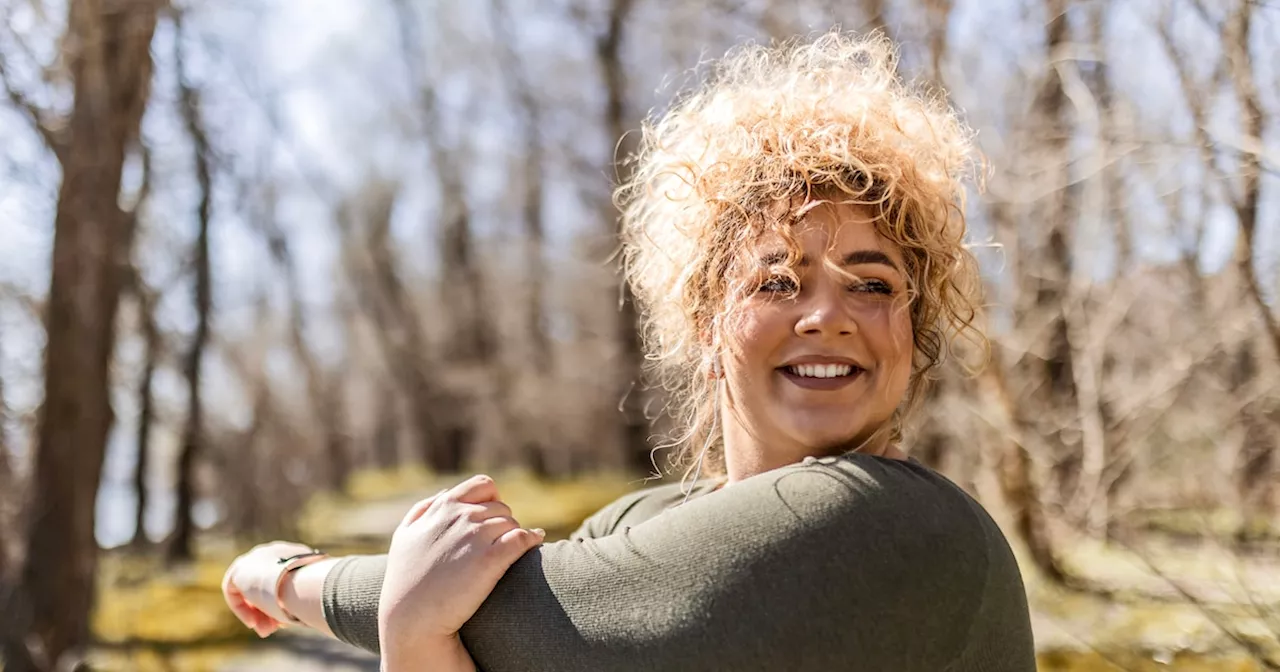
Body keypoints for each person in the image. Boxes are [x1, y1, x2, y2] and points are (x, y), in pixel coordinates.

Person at [222, 30, 1037, 671]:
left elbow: (515, 620)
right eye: (779, 282)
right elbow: (477, 622)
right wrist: (410, 635)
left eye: (871, 285)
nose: (828, 315)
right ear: (706, 325)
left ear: (912, 331)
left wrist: (288, 579)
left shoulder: (904, 524)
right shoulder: (639, 521)